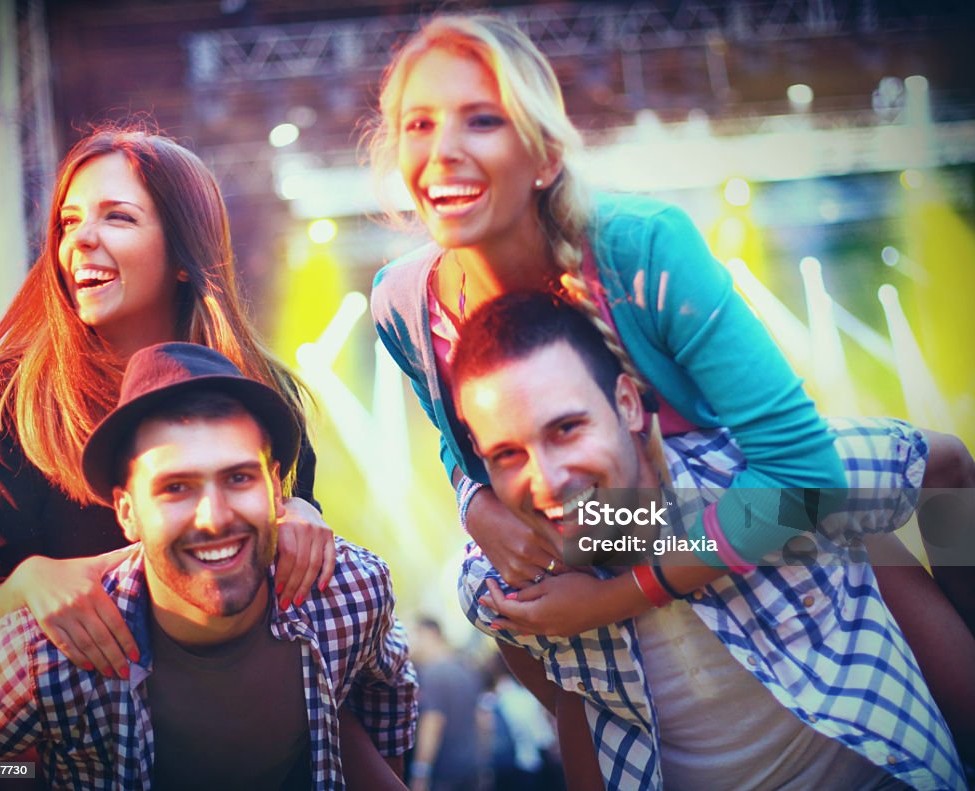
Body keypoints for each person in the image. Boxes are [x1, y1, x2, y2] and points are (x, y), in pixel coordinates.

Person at [365, 11, 975, 741]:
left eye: (483, 120)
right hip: (594, 527)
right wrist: (474, 504)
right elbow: (451, 436)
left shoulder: (639, 247)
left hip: (730, 501)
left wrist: (613, 597)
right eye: (418, 124)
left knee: (943, 468)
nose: (443, 152)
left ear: (546, 156)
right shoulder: (403, 300)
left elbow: (802, 470)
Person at [452, 292, 965, 790]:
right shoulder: (501, 584)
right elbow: (568, 696)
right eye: (507, 455)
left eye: (566, 428)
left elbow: (946, 466)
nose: (547, 480)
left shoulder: (757, 481)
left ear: (627, 405)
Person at [0, 342, 417, 789]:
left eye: (238, 478)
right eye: (176, 488)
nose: (214, 518)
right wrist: (30, 780)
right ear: (127, 512)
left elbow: (389, 683)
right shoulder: (51, 652)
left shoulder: (347, 591)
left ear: (276, 489)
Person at [0, 125, 335, 678]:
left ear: (184, 253)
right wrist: (36, 579)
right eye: (69, 221)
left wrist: (302, 513)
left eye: (117, 216)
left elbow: (289, 564)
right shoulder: (11, 399)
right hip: (84, 717)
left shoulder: (263, 389)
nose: (81, 239)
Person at [407, 617, 484, 791]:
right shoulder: (467, 668)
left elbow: (433, 721)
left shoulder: (432, 672)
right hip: (469, 769)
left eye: (413, 634)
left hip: (443, 774)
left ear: (429, 634)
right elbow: (482, 720)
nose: (409, 642)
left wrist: (420, 773)